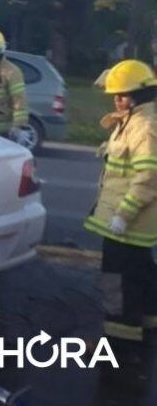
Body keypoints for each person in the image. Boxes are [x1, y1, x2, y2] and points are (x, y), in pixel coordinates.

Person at [84, 59, 157, 359]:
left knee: (117, 280)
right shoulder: (131, 120)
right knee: (141, 274)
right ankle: (146, 323)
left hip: (128, 225)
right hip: (132, 226)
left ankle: (119, 341)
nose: (117, 99)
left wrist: (121, 216)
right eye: (115, 95)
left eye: (123, 95)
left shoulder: (144, 126)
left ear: (140, 96)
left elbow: (148, 177)